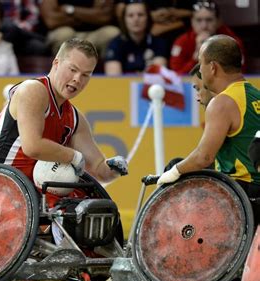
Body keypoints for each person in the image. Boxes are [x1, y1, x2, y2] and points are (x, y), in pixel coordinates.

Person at [0, 38, 128, 185]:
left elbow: (98, 169)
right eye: (73, 70)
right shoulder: (33, 90)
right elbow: (33, 146)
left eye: (85, 75)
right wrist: (73, 156)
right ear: (56, 63)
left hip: (27, 196)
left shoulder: (76, 120)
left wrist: (114, 168)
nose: (77, 79)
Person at [158, 35, 260, 226]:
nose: (200, 69)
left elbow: (204, 158)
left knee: (178, 169)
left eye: (201, 63)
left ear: (212, 67)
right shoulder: (255, 94)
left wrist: (173, 172)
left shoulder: (222, 102)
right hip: (253, 189)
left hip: (243, 192)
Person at [169, 0, 245, 74]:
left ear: (218, 21)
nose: (204, 26)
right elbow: (176, 75)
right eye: (199, 20)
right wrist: (196, 57)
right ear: (192, 22)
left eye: (209, 20)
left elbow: (238, 72)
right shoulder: (181, 42)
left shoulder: (232, 42)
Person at [105, 0, 169, 75]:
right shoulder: (115, 44)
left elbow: (158, 75)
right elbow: (113, 79)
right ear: (124, 19)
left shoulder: (158, 43)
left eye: (140, 15)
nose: (136, 19)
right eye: (130, 15)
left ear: (148, 18)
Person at [40, 0, 120, 57]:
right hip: (66, 33)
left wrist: (71, 10)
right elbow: (51, 20)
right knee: (64, 33)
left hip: (93, 34)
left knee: (112, 32)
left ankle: (104, 74)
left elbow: (104, 16)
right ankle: (60, 72)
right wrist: (88, 16)